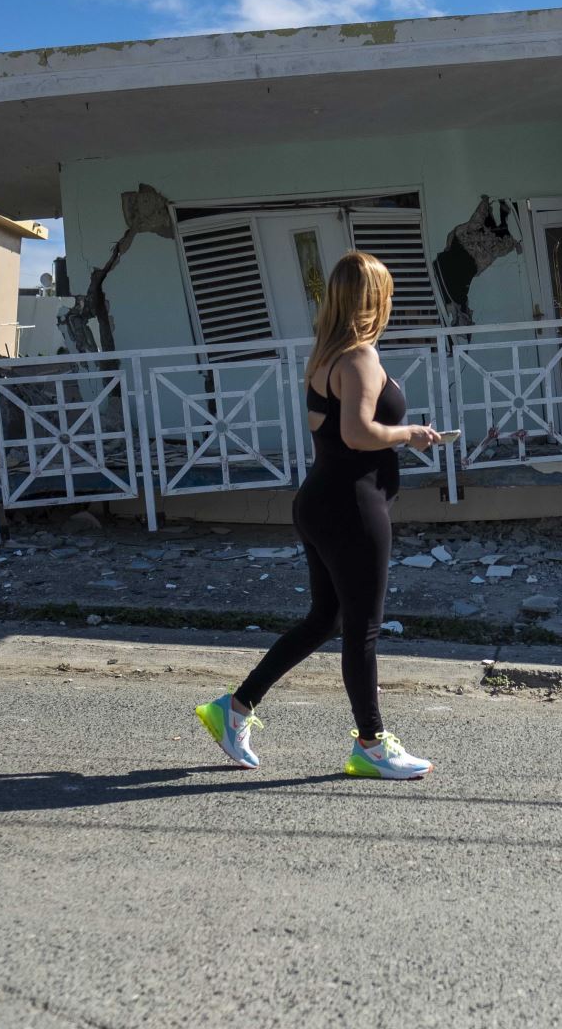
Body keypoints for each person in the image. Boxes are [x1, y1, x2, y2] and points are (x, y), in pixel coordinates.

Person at [195, 251, 443, 780]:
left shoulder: (324, 357)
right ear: (374, 299)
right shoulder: (358, 359)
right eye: (388, 293)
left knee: (325, 620)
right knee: (363, 629)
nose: (392, 302)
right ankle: (372, 746)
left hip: (320, 501)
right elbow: (356, 434)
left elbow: (334, 432)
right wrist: (411, 433)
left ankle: (234, 708)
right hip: (352, 507)